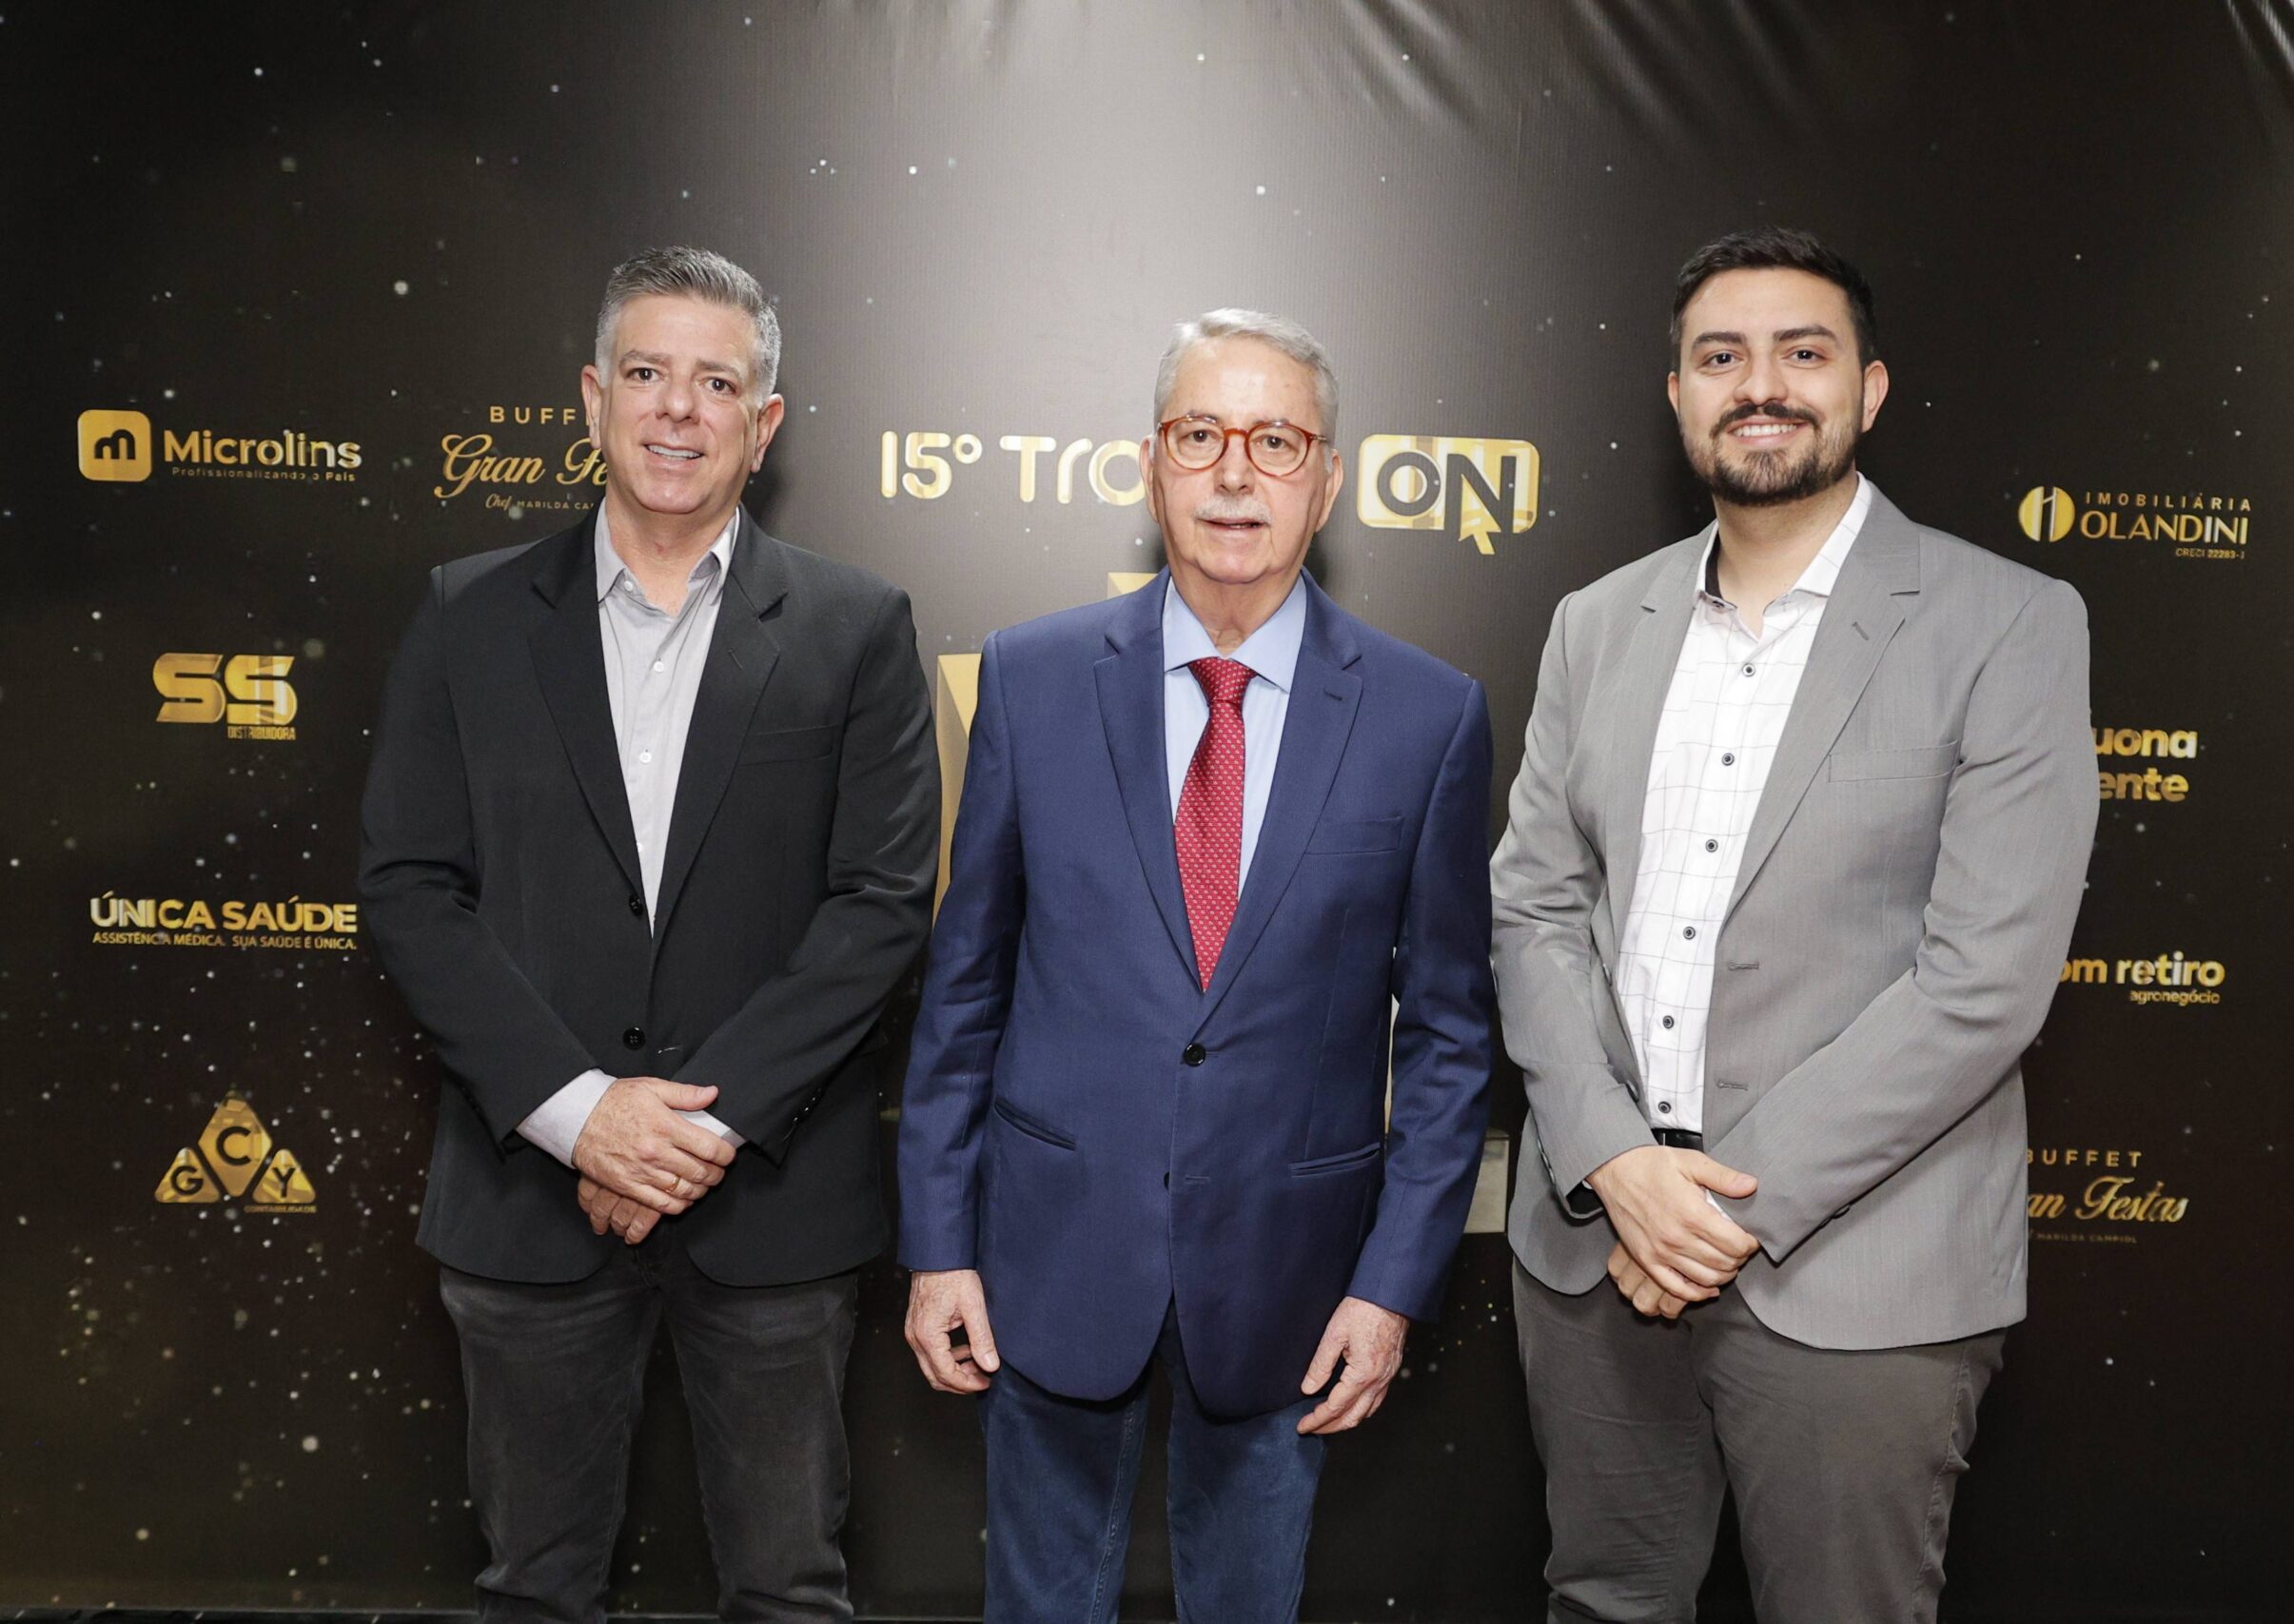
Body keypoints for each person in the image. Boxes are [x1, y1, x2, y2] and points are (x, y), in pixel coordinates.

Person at [1492, 227, 2098, 1623]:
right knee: (1601, 1604)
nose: (1760, 385)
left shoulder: (2009, 623)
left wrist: (1710, 1213)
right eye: (1722, 357)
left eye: (1802, 352)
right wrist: (1616, 1163)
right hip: (1593, 1252)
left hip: (1860, 1269)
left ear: (1868, 390)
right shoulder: (1596, 622)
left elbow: (1984, 982)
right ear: (1679, 396)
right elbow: (1534, 908)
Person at [359, 245, 937, 1622]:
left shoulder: (858, 626)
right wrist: (580, 1117)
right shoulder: (466, 614)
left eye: (717, 383)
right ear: (592, 398)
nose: (679, 409)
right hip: (527, 1199)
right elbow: (409, 887)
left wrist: (686, 1132)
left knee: (788, 1590)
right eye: (646, 373)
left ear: (765, 422)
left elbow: (879, 903)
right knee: (532, 1589)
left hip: (771, 1207)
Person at [895, 308, 1496, 1623]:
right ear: (1150, 466)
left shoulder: (1429, 714)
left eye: (1276, 441)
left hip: (1295, 1281)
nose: (1235, 473)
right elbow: (966, 986)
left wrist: (1392, 1286)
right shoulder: (1033, 676)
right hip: (1050, 1252)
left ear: (1327, 481)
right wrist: (938, 1244)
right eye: (1200, 435)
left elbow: (1451, 1042)